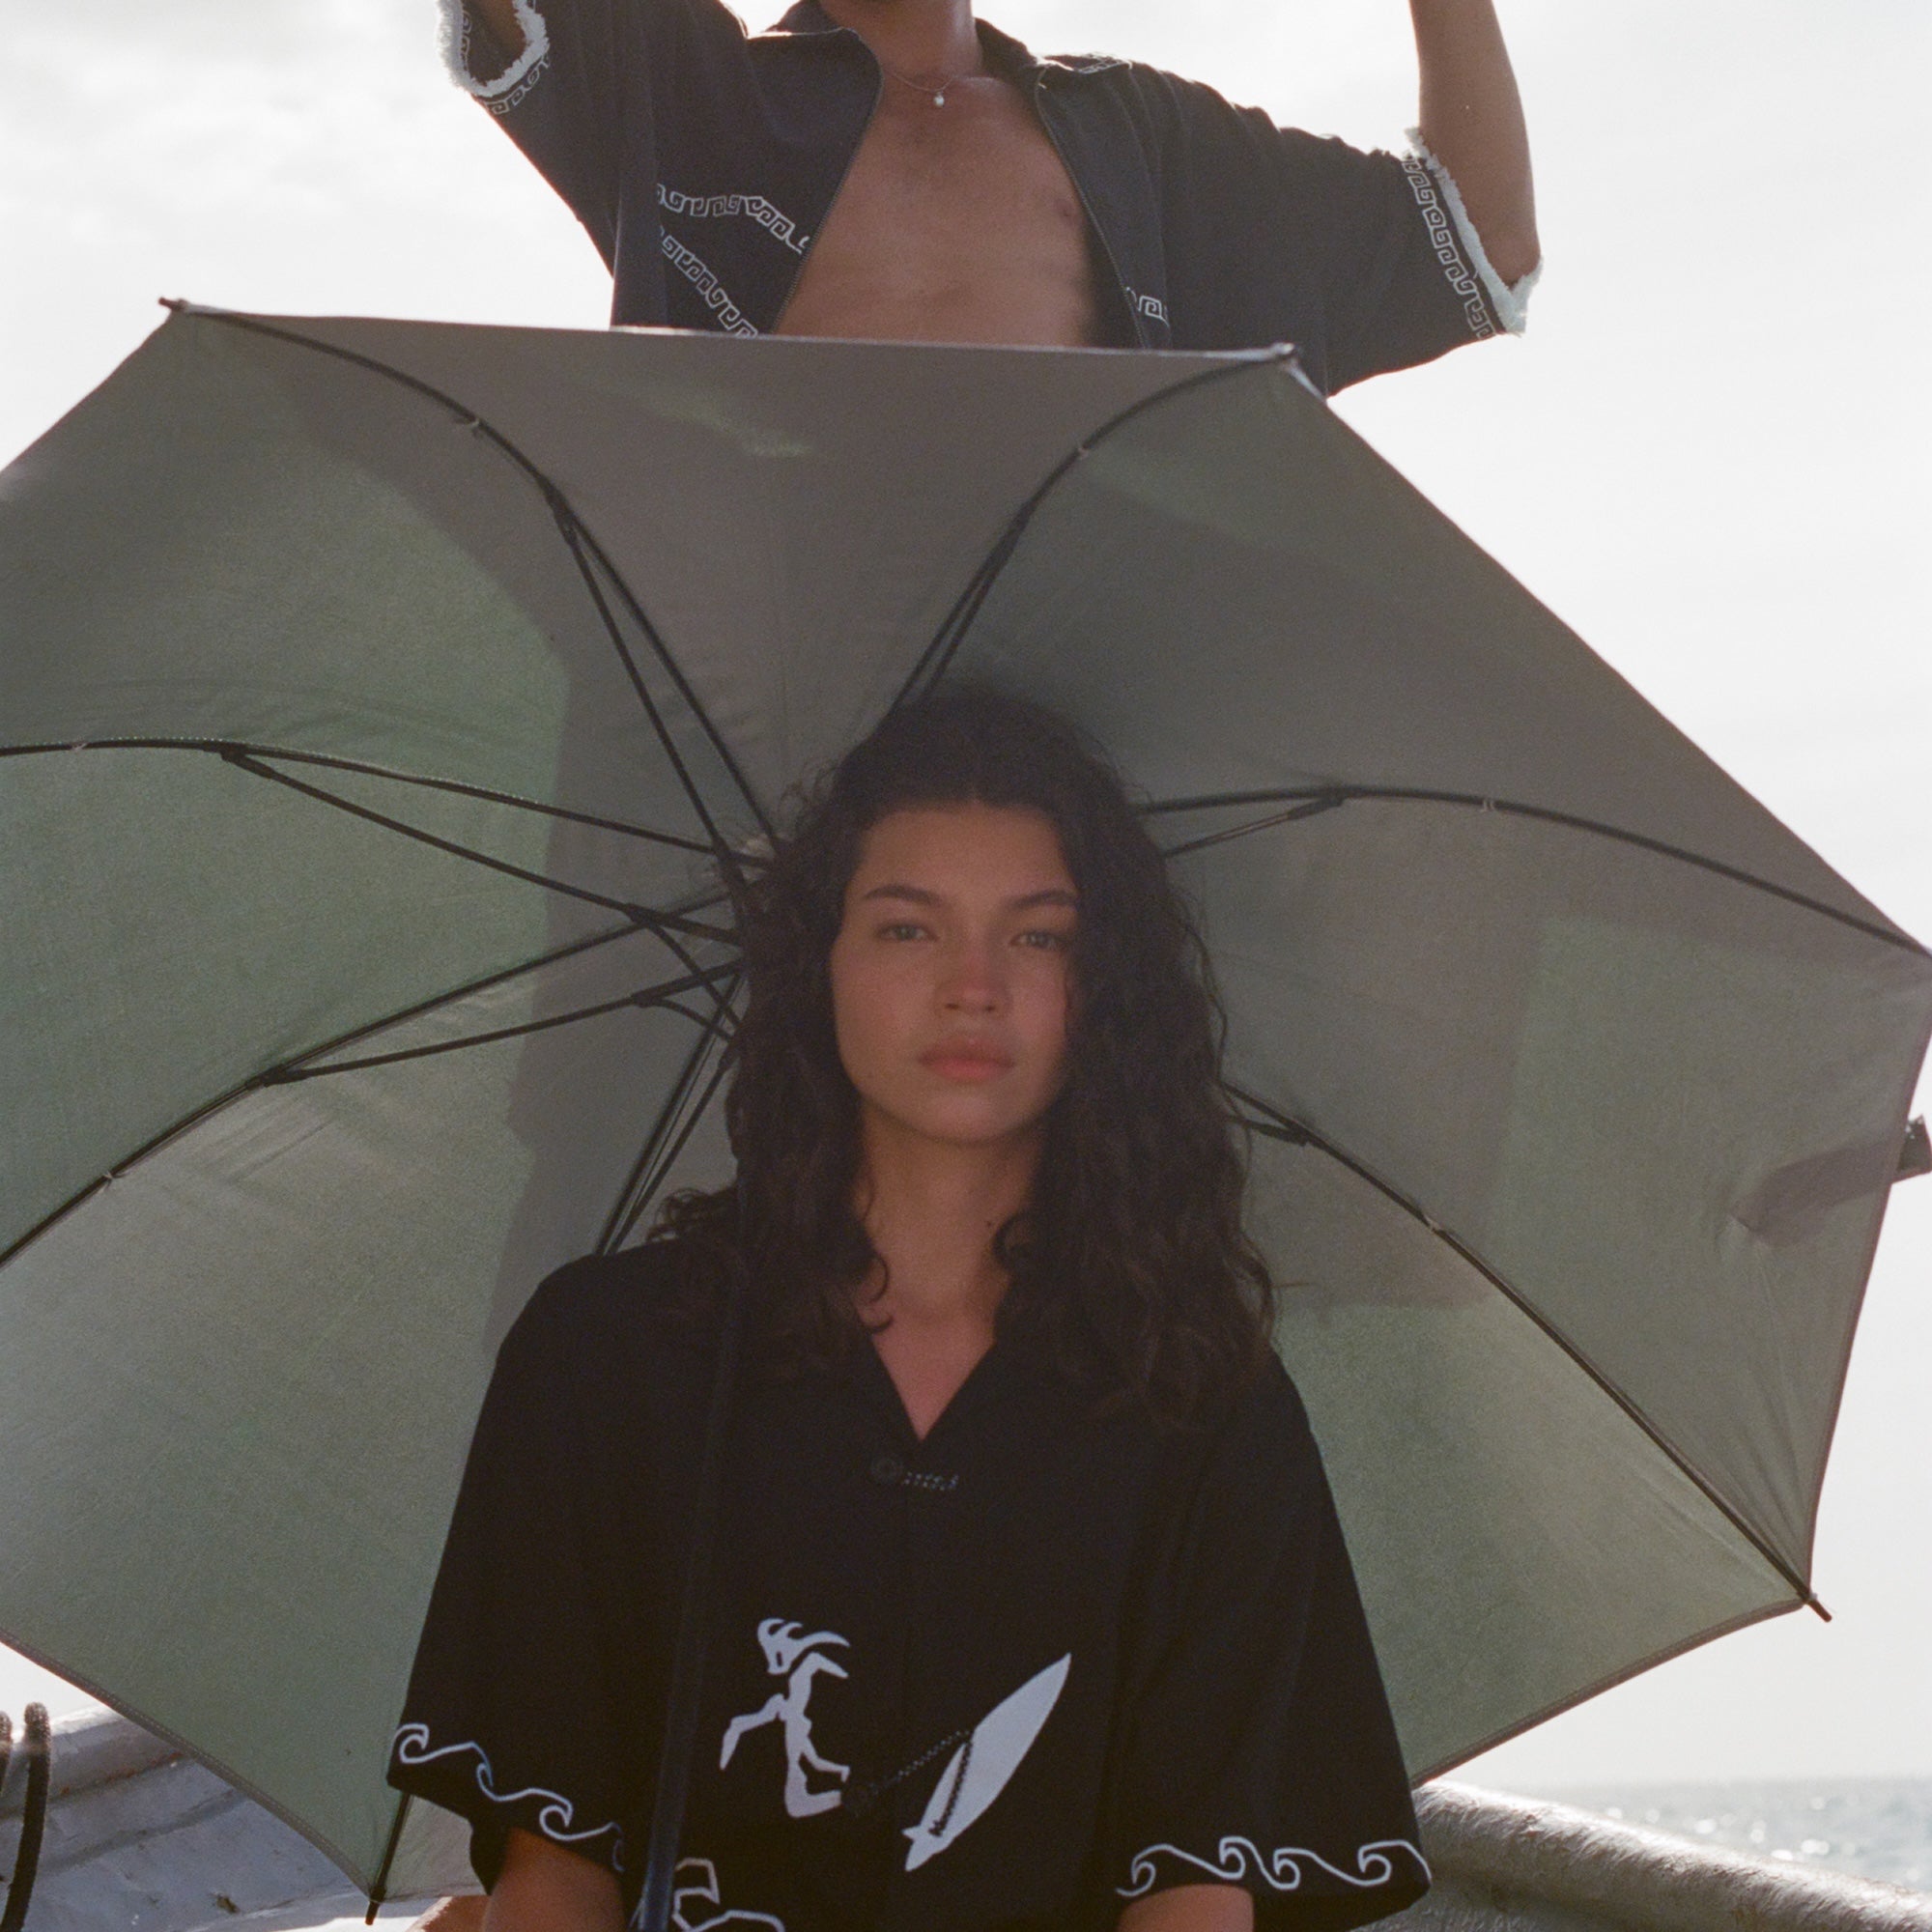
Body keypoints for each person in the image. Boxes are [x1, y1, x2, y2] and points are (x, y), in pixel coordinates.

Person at [388, 688, 1431, 1932]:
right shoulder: (607, 1355)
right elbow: (553, 1873)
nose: (971, 986)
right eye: (905, 927)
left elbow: (1193, 1898)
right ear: (816, 965)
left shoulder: (1201, 1402)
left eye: (1036, 936)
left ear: (1103, 988)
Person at [441, 0, 1539, 387]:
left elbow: (1482, 244)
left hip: (1057, 687)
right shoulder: (682, 83)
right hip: (761, 674)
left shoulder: (1138, 135)